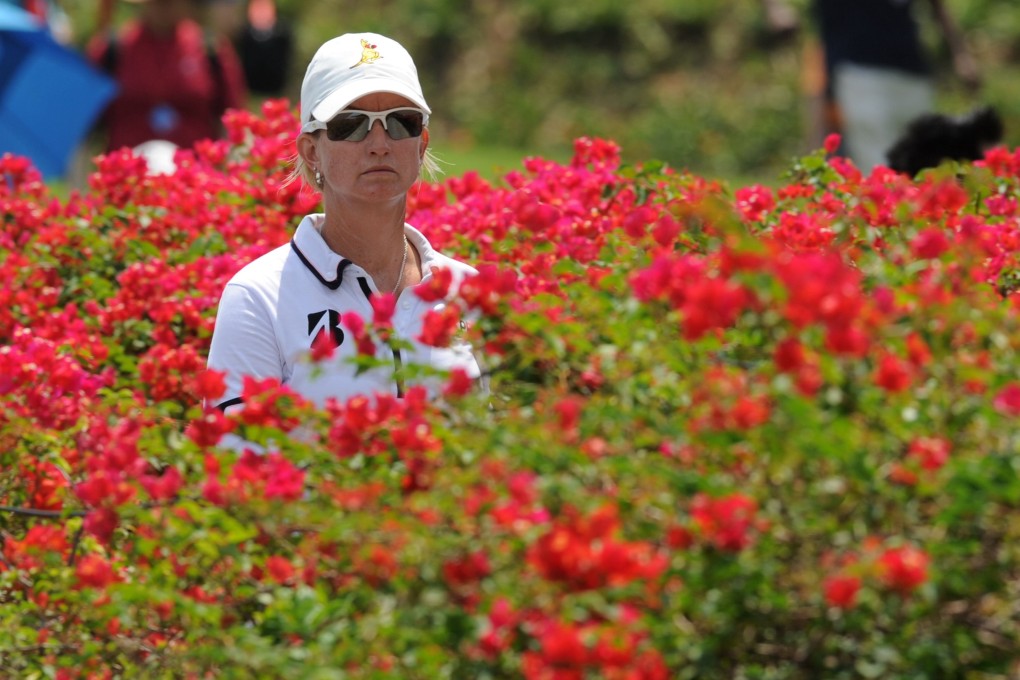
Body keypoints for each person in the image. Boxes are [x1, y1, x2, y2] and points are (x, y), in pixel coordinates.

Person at [206, 32, 482, 414]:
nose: (380, 143)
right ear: (311, 150)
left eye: (402, 122)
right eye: (351, 124)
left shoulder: (472, 293)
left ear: (421, 144)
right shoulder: (257, 297)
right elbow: (236, 461)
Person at [810, 0, 981, 172]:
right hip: (859, 70)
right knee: (876, 165)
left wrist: (960, 54)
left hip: (911, 72)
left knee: (921, 165)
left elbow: (937, 6)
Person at [86, 0, 247, 155]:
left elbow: (233, 117)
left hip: (195, 173)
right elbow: (87, 118)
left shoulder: (210, 48)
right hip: (128, 173)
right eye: (158, 1)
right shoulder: (114, 48)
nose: (164, 7)